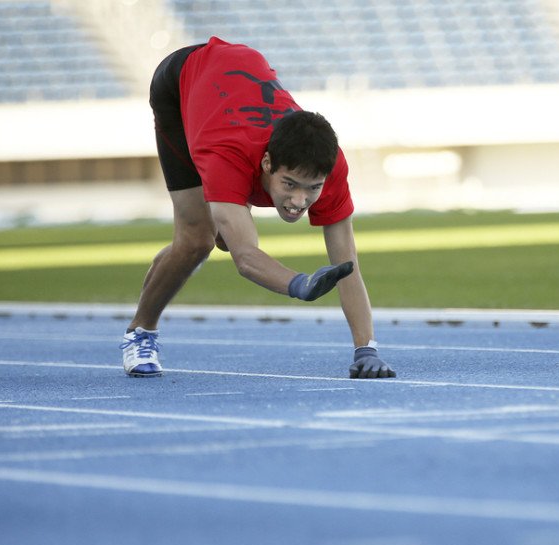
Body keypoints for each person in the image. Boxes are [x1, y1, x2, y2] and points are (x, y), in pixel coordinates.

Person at [120, 37, 394, 380]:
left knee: (225, 232)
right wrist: (299, 284)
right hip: (179, 82)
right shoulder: (226, 156)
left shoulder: (331, 168)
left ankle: (226, 219)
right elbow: (246, 259)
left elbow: (347, 265)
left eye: (312, 188)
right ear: (266, 164)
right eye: (289, 185)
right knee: (198, 240)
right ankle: (141, 332)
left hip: (238, 76)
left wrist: (365, 349)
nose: (299, 202)